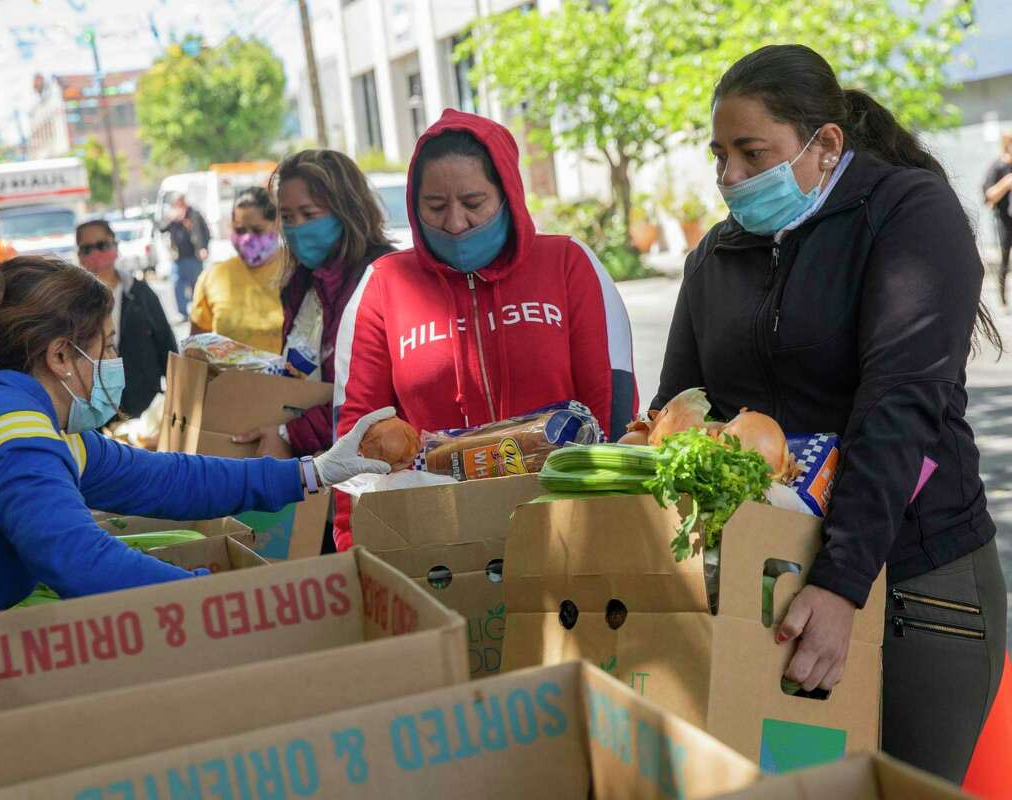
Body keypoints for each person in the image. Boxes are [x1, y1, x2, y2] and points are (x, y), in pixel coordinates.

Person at [653, 45, 1006, 783]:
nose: (731, 179)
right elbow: (678, 413)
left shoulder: (908, 214)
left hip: (915, 580)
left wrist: (843, 582)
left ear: (826, 145)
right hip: (764, 583)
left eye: (753, 154)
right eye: (720, 156)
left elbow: (898, 407)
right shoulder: (716, 256)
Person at [0, 256, 393, 641]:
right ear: (62, 357)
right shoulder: (12, 435)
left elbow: (170, 479)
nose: (115, 363)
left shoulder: (27, 422)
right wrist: (225, 606)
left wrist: (311, 473)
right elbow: (78, 562)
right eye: (106, 346)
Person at [332, 110, 638, 551]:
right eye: (435, 207)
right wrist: (353, 548)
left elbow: (612, 410)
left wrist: (618, 524)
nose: (456, 224)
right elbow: (356, 433)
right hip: (438, 540)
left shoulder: (570, 265)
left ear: (508, 195)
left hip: (566, 525)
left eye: (474, 203)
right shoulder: (383, 286)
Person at [233, 150, 396, 465]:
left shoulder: (382, 276)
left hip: (370, 464)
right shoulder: (301, 285)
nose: (296, 228)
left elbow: (372, 393)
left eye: (309, 214)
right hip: (317, 465)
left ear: (346, 210)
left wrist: (288, 434)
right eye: (288, 217)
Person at [76, 219, 176, 418]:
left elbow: (167, 346)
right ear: (79, 255)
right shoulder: (71, 302)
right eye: (87, 249)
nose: (96, 254)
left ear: (115, 246)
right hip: (95, 414)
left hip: (144, 408)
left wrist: (176, 398)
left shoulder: (140, 293)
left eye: (102, 245)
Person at [189, 187, 285, 353]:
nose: (247, 238)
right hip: (229, 379)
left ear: (276, 225)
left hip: (288, 379)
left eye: (257, 230)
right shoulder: (214, 277)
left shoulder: (297, 271)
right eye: (240, 230)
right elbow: (195, 349)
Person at [161, 194, 210, 320]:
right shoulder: (172, 216)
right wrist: (171, 219)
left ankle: (199, 311)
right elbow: (161, 229)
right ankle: (183, 313)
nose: (179, 205)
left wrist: (204, 247)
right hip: (178, 258)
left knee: (197, 285)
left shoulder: (194, 214)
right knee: (177, 284)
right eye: (177, 203)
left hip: (194, 256)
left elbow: (205, 231)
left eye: (181, 202)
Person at [983, 131, 1012, 310]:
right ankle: (1002, 301)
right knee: (1004, 260)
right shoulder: (998, 166)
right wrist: (1006, 183)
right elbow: (989, 196)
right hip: (1005, 220)